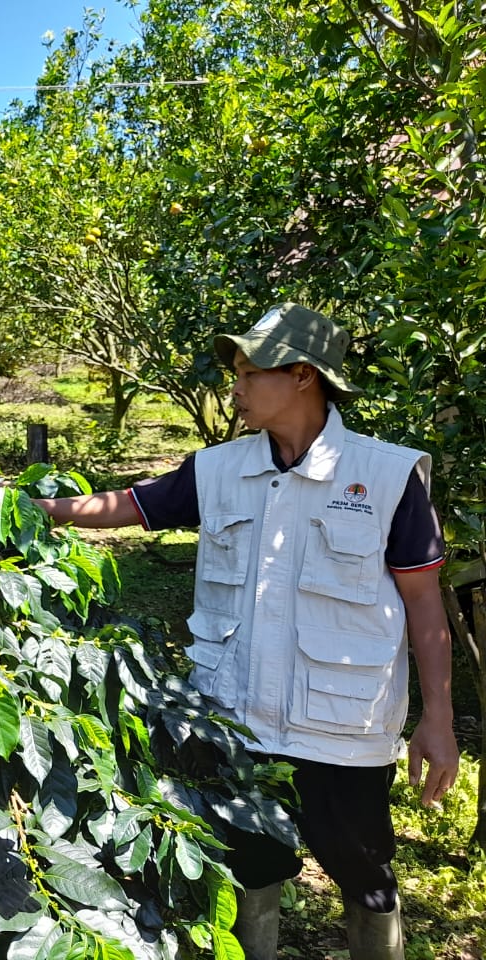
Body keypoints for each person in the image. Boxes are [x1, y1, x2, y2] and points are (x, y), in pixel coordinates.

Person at [33, 304, 458, 960]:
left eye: (247, 372)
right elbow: (131, 505)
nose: (233, 387)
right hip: (238, 722)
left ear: (302, 377)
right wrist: (39, 512)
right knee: (249, 870)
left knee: (365, 878)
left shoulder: (386, 475)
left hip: (343, 729)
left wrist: (439, 721)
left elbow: (425, 605)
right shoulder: (220, 469)